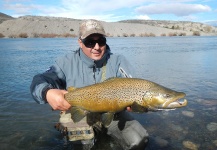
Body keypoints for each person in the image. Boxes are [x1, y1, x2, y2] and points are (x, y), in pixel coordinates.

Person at [30, 19, 149, 150]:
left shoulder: (118, 61)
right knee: (82, 146)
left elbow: (135, 86)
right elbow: (38, 81)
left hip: (114, 114)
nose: (96, 47)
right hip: (80, 113)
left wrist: (141, 105)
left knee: (140, 139)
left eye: (101, 41)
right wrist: (47, 92)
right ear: (80, 43)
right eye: (90, 42)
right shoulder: (66, 62)